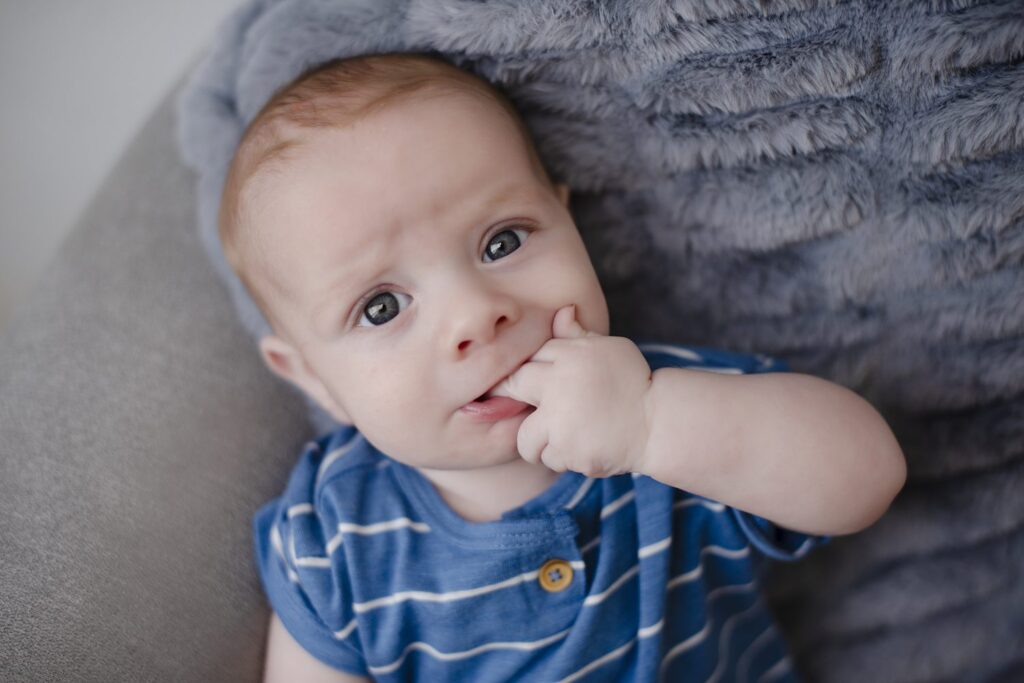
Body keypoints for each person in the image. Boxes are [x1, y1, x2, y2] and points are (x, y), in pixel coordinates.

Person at [216, 52, 906, 682]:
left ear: (568, 221)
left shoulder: (674, 411)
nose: (475, 315)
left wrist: (648, 423)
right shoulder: (332, 539)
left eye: (502, 240)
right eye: (381, 308)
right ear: (309, 374)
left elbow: (869, 474)